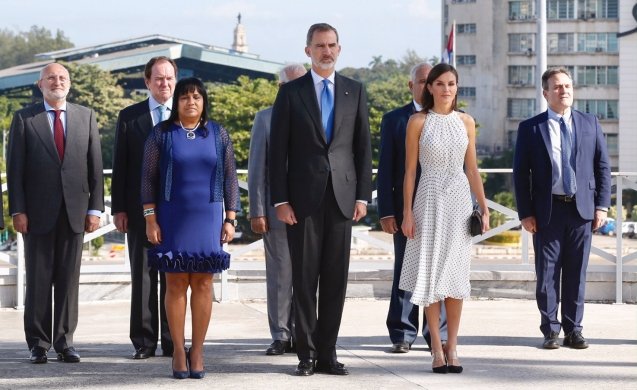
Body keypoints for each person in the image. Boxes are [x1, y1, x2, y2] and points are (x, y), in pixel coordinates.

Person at [269, 23, 372, 376]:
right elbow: (277, 151)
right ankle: (306, 355)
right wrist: (280, 200)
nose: (326, 51)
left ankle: (328, 353)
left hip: (343, 200)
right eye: (319, 46)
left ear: (339, 49)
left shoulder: (354, 91)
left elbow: (363, 148)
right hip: (302, 202)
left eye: (331, 45)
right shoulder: (291, 93)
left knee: (334, 280)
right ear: (307, 50)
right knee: (304, 278)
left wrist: (362, 196)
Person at [141, 77, 240, 379]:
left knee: (203, 284)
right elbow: (147, 178)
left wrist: (231, 217)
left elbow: (231, 178)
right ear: (177, 103)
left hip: (208, 217)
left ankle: (197, 350)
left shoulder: (218, 134)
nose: (191, 102)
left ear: (204, 101)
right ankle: (178, 351)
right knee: (174, 284)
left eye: (197, 96)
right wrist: (150, 218)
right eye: (184, 97)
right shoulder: (161, 134)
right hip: (172, 217)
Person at [7, 62, 104, 364]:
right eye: (51, 78)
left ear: (69, 83)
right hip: (36, 214)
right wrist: (18, 210)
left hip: (75, 212)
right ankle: (38, 343)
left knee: (68, 280)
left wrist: (95, 208)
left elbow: (95, 169)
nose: (56, 82)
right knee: (38, 279)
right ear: (40, 84)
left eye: (62, 78)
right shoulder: (24, 119)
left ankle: (65, 341)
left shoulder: (85, 117)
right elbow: (15, 169)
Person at [400, 63, 489, 374]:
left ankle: (453, 345)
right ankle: (436, 350)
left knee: (454, 276)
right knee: (431, 274)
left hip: (459, 201)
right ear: (430, 88)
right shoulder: (417, 122)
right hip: (427, 199)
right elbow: (410, 172)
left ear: (457, 87)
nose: (446, 89)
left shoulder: (466, 122)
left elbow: (473, 169)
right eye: (439, 84)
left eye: (451, 83)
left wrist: (484, 206)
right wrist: (407, 212)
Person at [513, 67, 611, 350]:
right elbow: (521, 174)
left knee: (576, 273)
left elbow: (602, 167)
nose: (564, 90)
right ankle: (550, 330)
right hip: (547, 212)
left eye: (567, 85)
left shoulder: (590, 123)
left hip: (582, 211)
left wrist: (602, 206)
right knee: (547, 274)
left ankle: (574, 329)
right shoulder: (531, 128)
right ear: (545, 93)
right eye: (557, 87)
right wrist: (525, 212)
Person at [377, 62, 448, 353]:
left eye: (434, 80)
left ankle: (437, 335)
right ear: (412, 86)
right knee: (405, 271)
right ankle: (402, 334)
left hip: (444, 208)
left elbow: (464, 168)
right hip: (407, 209)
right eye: (422, 81)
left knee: (440, 272)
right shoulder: (395, 120)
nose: (428, 86)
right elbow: (386, 169)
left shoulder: (454, 118)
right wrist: (387, 211)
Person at [112, 56, 177, 360]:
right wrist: (119, 209)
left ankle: (173, 340)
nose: (165, 84)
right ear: (148, 82)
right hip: (139, 210)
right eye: (159, 79)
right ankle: (144, 341)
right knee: (144, 276)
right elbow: (120, 166)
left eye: (169, 78)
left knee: (174, 276)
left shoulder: (187, 112)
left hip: (178, 210)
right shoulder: (130, 117)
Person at [248, 63, 307, 356]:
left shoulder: (319, 117)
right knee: (280, 274)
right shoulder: (266, 119)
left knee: (308, 275)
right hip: (274, 212)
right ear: (281, 87)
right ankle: (281, 334)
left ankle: (304, 333)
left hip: (310, 212)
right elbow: (256, 168)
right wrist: (256, 210)